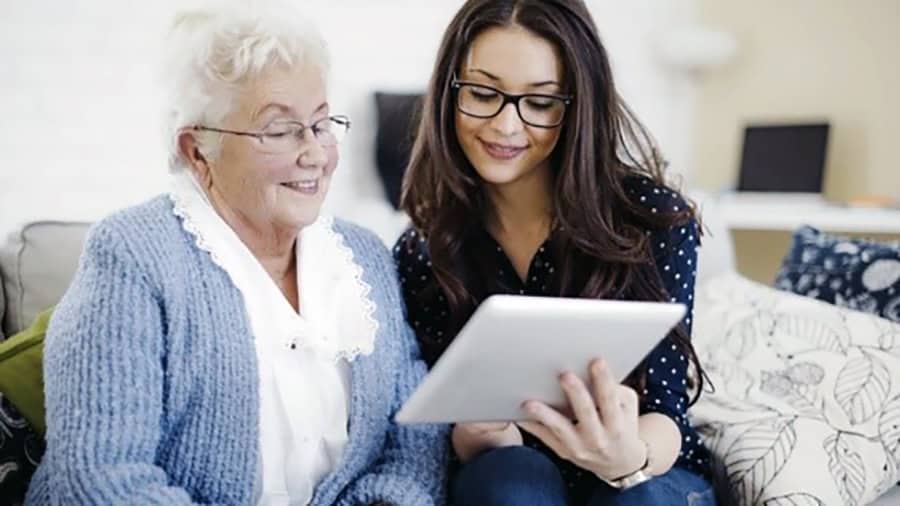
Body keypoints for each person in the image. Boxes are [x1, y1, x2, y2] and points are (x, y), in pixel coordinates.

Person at [26, 3, 447, 505]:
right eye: (278, 130)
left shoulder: (364, 258)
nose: (314, 152)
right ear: (197, 150)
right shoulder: (131, 256)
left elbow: (414, 438)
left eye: (320, 122)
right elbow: (101, 477)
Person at [393, 0, 714, 505]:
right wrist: (478, 436)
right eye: (481, 93)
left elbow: (667, 413)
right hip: (512, 479)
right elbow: (443, 429)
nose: (505, 126)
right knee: (510, 480)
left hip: (647, 475)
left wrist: (628, 460)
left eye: (540, 103)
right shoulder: (423, 249)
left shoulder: (649, 219)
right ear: (449, 93)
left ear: (577, 105)